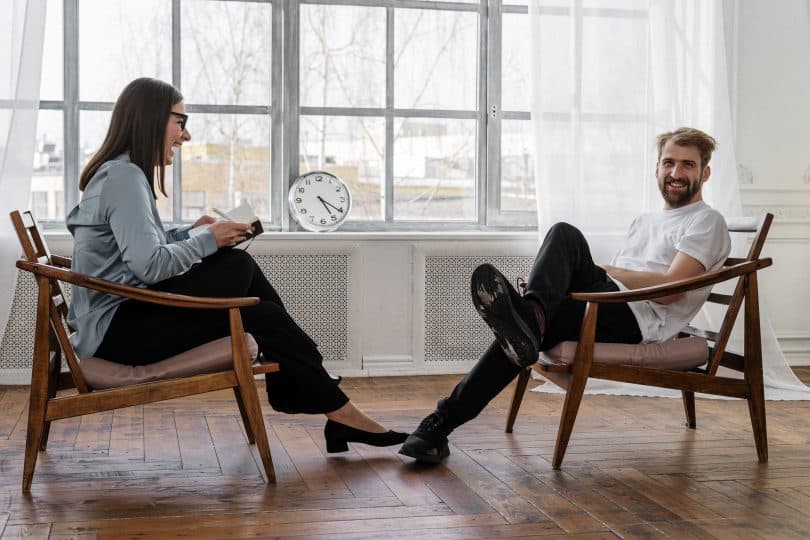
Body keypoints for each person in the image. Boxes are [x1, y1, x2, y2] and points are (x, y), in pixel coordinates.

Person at [66, 78, 407, 453]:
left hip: (123, 319)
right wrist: (209, 240)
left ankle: (334, 408)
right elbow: (148, 266)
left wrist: (187, 234)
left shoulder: (120, 174)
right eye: (181, 121)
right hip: (119, 334)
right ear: (152, 118)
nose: (186, 134)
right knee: (237, 267)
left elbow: (134, 251)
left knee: (261, 311)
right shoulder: (124, 177)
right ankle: (319, 391)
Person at [399, 127, 731, 463]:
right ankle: (436, 429)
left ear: (705, 173)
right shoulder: (645, 220)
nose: (676, 173)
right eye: (668, 163)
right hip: (607, 305)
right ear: (657, 168)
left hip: (638, 320)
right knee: (524, 333)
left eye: (687, 165)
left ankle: (526, 320)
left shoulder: (706, 221)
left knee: (564, 236)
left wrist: (610, 272)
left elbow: (669, 292)